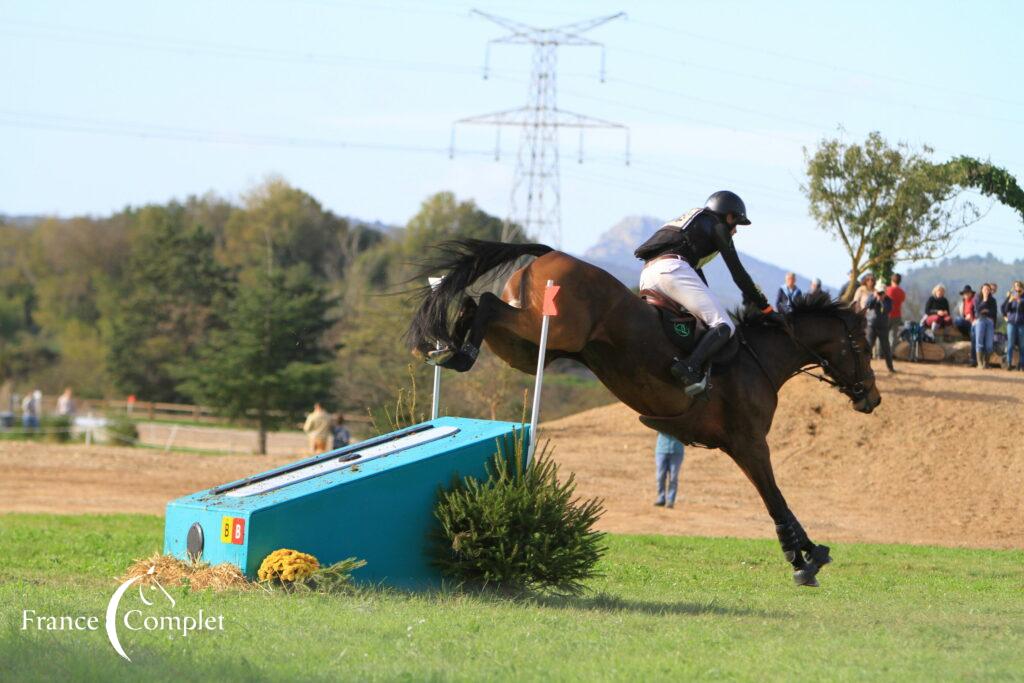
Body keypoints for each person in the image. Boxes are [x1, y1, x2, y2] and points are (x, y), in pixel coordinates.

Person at [634, 190, 772, 396]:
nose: (735, 231)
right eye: (736, 223)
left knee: (697, 322)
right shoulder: (717, 226)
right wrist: (765, 306)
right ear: (728, 216)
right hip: (672, 270)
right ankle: (689, 367)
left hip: (648, 274)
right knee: (724, 325)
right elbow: (739, 274)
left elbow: (696, 273)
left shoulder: (693, 222)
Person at [865, 282, 895, 373]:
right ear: (876, 290)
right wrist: (875, 298)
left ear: (885, 292)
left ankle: (890, 368)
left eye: (882, 292)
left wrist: (882, 300)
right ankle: (865, 367)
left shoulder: (888, 300)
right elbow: (868, 306)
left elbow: (888, 310)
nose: (880, 293)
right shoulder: (871, 296)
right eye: (879, 291)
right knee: (868, 347)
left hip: (883, 326)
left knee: (886, 348)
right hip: (871, 325)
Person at [653, 432, 685, 508]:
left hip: (677, 450)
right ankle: (661, 498)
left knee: (673, 477)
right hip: (661, 449)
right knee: (660, 476)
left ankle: (671, 500)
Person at [973, 283, 998, 369]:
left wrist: (985, 310)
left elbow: (993, 312)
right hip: (980, 320)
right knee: (979, 342)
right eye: (984, 289)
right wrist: (984, 300)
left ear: (990, 291)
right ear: (981, 290)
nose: (986, 291)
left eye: (988, 289)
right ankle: (979, 364)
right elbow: (977, 311)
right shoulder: (977, 298)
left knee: (989, 345)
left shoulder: (993, 300)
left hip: (990, 322)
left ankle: (986, 364)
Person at [1002, 280, 1024, 371]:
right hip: (1011, 323)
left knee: (1022, 345)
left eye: (1019, 288)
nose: (1017, 289)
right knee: (1010, 344)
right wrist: (1010, 301)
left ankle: (1022, 365)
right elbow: (1006, 309)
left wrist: (1021, 302)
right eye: (1016, 287)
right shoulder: (1011, 297)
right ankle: (1009, 363)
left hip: (1021, 324)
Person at [886, 273, 906, 351]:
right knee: (893, 336)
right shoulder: (902, 292)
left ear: (891, 280)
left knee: (883, 335)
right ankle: (891, 353)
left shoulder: (888, 290)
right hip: (897, 315)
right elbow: (902, 300)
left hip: (887, 315)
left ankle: (880, 354)